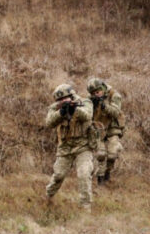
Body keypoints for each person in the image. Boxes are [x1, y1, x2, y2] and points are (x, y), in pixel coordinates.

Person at [45, 84, 94, 212]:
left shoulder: (85, 102)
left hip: (83, 146)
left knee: (84, 174)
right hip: (65, 148)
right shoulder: (55, 108)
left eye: (65, 98)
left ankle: (85, 207)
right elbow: (49, 122)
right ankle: (47, 197)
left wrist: (74, 110)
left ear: (71, 96)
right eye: (60, 100)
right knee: (58, 176)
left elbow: (87, 116)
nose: (63, 101)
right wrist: (61, 112)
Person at [87, 78, 124, 185]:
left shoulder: (114, 95)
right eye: (93, 93)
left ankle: (108, 171)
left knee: (112, 154)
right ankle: (100, 179)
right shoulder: (92, 99)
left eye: (97, 92)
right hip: (99, 128)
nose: (96, 94)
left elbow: (116, 112)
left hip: (113, 128)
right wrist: (92, 106)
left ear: (102, 88)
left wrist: (104, 106)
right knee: (101, 154)